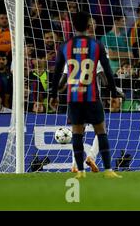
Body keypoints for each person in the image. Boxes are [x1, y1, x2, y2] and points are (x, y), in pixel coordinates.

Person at [49, 11, 124, 179]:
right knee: (101, 131)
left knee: (77, 133)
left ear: (73, 26)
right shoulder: (96, 45)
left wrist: (53, 93)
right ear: (89, 26)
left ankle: (80, 172)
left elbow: (58, 74)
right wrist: (113, 92)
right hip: (91, 97)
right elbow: (107, 73)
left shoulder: (65, 46)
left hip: (73, 98)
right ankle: (108, 170)